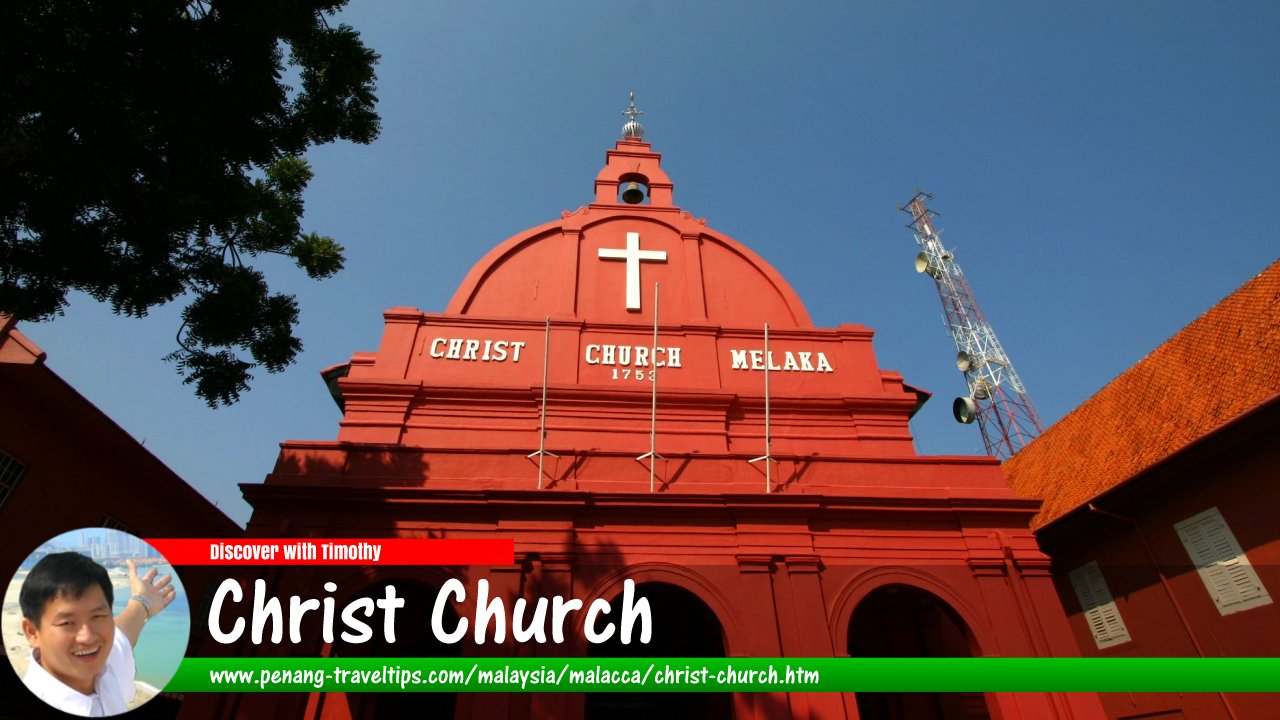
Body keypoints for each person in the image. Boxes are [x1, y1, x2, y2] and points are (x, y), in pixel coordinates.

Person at [18, 552, 176, 717]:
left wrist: (142, 601)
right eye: (67, 623)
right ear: (32, 632)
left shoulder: (104, 667)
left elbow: (122, 634)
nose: (88, 637)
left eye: (97, 616)